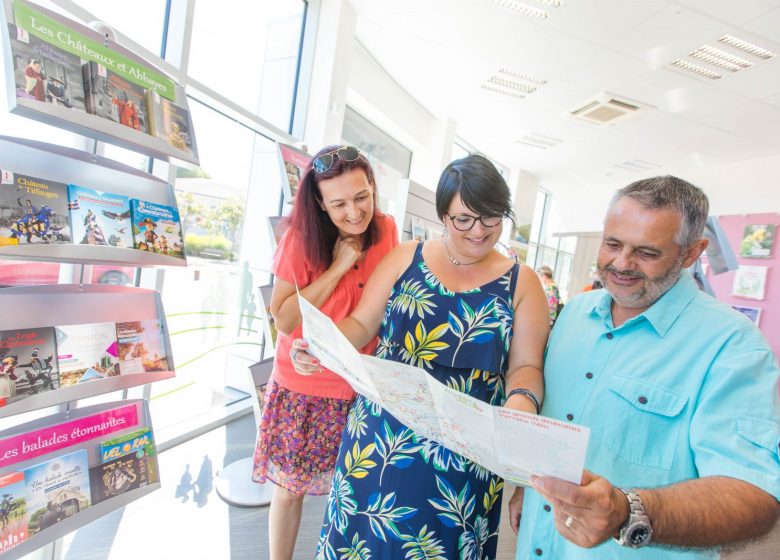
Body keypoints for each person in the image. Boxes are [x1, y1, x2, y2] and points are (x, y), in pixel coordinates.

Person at [293, 155, 550, 559]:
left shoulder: (523, 283)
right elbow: (362, 324)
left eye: (491, 218)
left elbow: (526, 366)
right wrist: (321, 343)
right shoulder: (405, 258)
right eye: (463, 219)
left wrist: (519, 404)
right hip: (378, 441)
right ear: (443, 214)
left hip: (462, 456)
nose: (479, 231)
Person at [510, 176, 779, 559]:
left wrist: (627, 512)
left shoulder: (733, 346)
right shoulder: (576, 313)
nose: (621, 264)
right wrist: (528, 487)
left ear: (691, 253)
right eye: (612, 244)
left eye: (646, 252)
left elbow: (753, 496)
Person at [251, 145, 398, 560]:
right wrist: (336, 268)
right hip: (306, 386)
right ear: (319, 202)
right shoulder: (301, 237)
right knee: (290, 491)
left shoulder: (387, 230)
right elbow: (283, 317)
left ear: (373, 188)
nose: (354, 212)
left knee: (354, 489)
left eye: (361, 197)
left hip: (362, 383)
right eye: (338, 204)